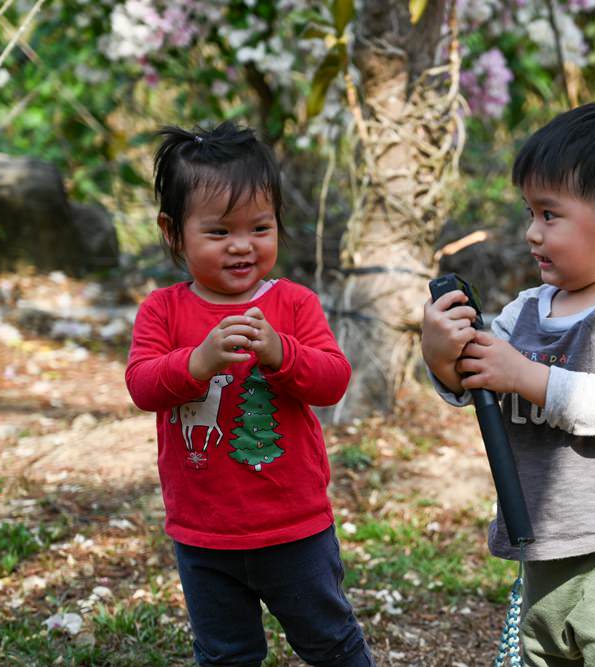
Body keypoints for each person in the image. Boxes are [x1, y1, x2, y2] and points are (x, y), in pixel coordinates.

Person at [421, 102, 595, 666]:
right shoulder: (524, 311)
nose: (531, 233)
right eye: (530, 212)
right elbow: (478, 383)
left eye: (550, 215)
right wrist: (443, 355)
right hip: (541, 541)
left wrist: (526, 374)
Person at [125, 120, 374, 667]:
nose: (242, 246)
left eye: (259, 228)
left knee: (328, 641)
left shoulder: (293, 304)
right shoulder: (163, 310)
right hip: (203, 531)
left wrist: (282, 353)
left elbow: (333, 379)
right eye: (218, 233)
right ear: (173, 232)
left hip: (294, 525)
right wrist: (198, 362)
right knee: (225, 653)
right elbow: (142, 385)